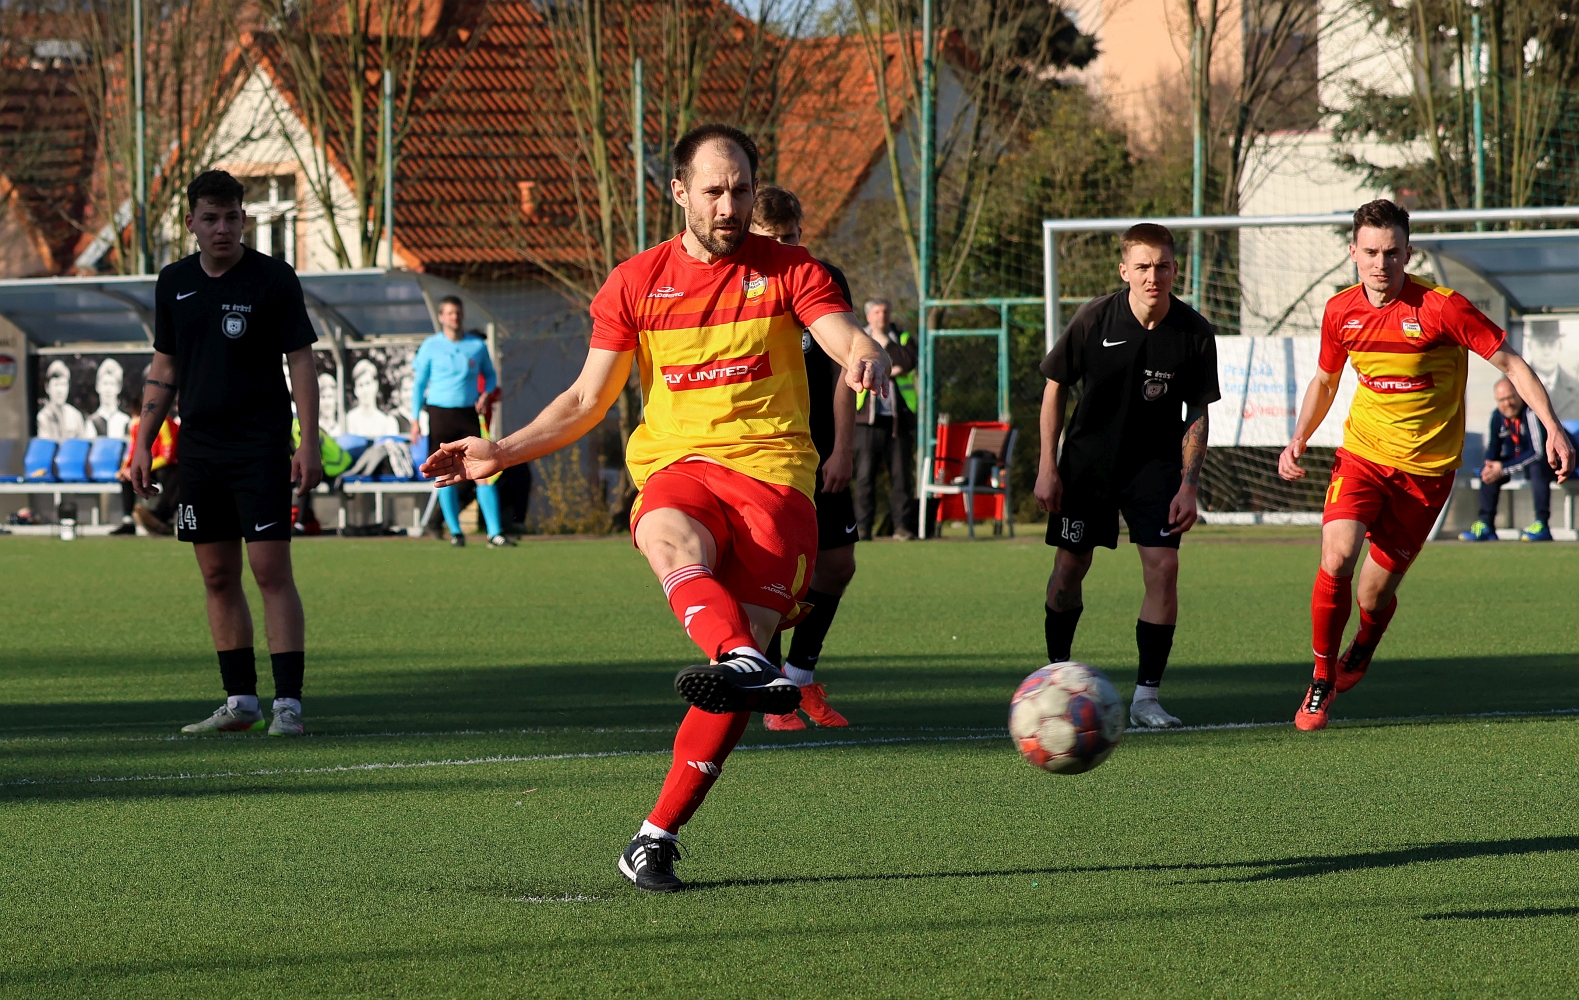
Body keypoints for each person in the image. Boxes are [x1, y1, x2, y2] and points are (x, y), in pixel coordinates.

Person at [421, 124, 888, 893]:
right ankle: (742, 658)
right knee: (668, 534)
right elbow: (584, 400)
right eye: (714, 191)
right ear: (678, 193)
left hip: (774, 483)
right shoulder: (635, 282)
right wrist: (500, 450)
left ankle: (653, 837)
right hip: (679, 469)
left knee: (733, 683)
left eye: (741, 189)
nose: (730, 205)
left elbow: (841, 337)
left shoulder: (791, 269)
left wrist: (865, 353)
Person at [1278, 199, 1574, 731]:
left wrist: (1552, 426)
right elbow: (1325, 380)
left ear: (1408, 253)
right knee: (1337, 555)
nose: (1381, 264)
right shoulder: (1340, 311)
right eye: (1371, 252)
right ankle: (1321, 677)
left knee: (1372, 594)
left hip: (1427, 473)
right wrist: (1299, 436)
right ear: (1353, 252)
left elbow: (1510, 363)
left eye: (1392, 253)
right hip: (1363, 456)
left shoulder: (1443, 308)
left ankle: (1364, 643)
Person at [129, 169, 323, 738]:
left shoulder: (273, 278)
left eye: (231, 217)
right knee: (216, 574)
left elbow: (301, 362)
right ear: (191, 222)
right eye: (210, 218)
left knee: (269, 571)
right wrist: (142, 441)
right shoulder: (173, 282)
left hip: (261, 447)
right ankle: (241, 702)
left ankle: (288, 705)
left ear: (245, 219)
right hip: (200, 451)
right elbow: (164, 367)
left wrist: (309, 440)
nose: (222, 229)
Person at [1034, 223, 1219, 730]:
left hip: (1154, 469)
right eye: (1142, 266)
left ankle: (1146, 698)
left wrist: (1189, 485)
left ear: (1175, 269)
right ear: (1124, 270)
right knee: (1069, 570)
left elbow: (1197, 412)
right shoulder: (1094, 317)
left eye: (1162, 266)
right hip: (1087, 465)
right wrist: (1048, 466)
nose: (1152, 276)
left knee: (1164, 568)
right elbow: (1055, 386)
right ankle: (1056, 678)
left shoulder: (1195, 332)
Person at [750, 185, 856, 732]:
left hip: (819, 449)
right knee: (771, 568)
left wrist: (843, 448)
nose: (787, 247)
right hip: (763, 451)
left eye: (792, 237)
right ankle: (773, 690)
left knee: (838, 564)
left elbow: (844, 367)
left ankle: (799, 674)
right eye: (774, 239)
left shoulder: (824, 277)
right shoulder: (738, 285)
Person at [410, 296, 512, 547]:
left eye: (457, 313)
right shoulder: (430, 346)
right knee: (445, 474)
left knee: (484, 471)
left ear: (462, 315)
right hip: (440, 414)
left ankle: (495, 533)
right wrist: (414, 419)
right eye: (449, 313)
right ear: (441, 317)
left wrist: (486, 394)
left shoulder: (476, 346)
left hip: (468, 414)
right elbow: (419, 384)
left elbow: (490, 377)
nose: (454, 317)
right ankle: (456, 532)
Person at [852, 298, 918, 540]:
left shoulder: (902, 338)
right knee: (864, 477)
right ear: (868, 316)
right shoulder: (858, 337)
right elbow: (855, 366)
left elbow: (907, 362)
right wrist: (890, 367)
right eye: (877, 312)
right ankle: (862, 529)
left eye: (886, 311)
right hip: (867, 422)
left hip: (898, 421)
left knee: (901, 477)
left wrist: (885, 343)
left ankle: (902, 528)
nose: (882, 316)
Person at [1460, 378, 1557, 542]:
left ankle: (1542, 524)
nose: (1507, 404)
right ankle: (1486, 525)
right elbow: (1493, 446)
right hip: (1520, 462)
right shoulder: (1497, 415)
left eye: (1510, 397)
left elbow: (1538, 452)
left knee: (1537, 468)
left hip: (1551, 462)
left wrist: (1503, 468)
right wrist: (1490, 465)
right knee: (1489, 471)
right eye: (1502, 400)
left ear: (1519, 395)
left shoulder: (1531, 412)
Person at [345, 358, 402, 438]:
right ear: (355, 390)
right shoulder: (349, 420)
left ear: (376, 385)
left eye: (368, 383)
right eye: (360, 385)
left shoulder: (387, 422)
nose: (365, 390)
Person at [36, 359, 86, 439]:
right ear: (47, 387)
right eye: (56, 385)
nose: (60, 390)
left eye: (63, 384)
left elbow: (82, 443)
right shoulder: (43, 418)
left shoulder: (76, 416)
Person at [85, 358, 132, 439]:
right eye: (105, 384)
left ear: (118, 388)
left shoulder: (125, 421)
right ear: (98, 387)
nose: (108, 389)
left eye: (112, 384)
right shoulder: (91, 422)